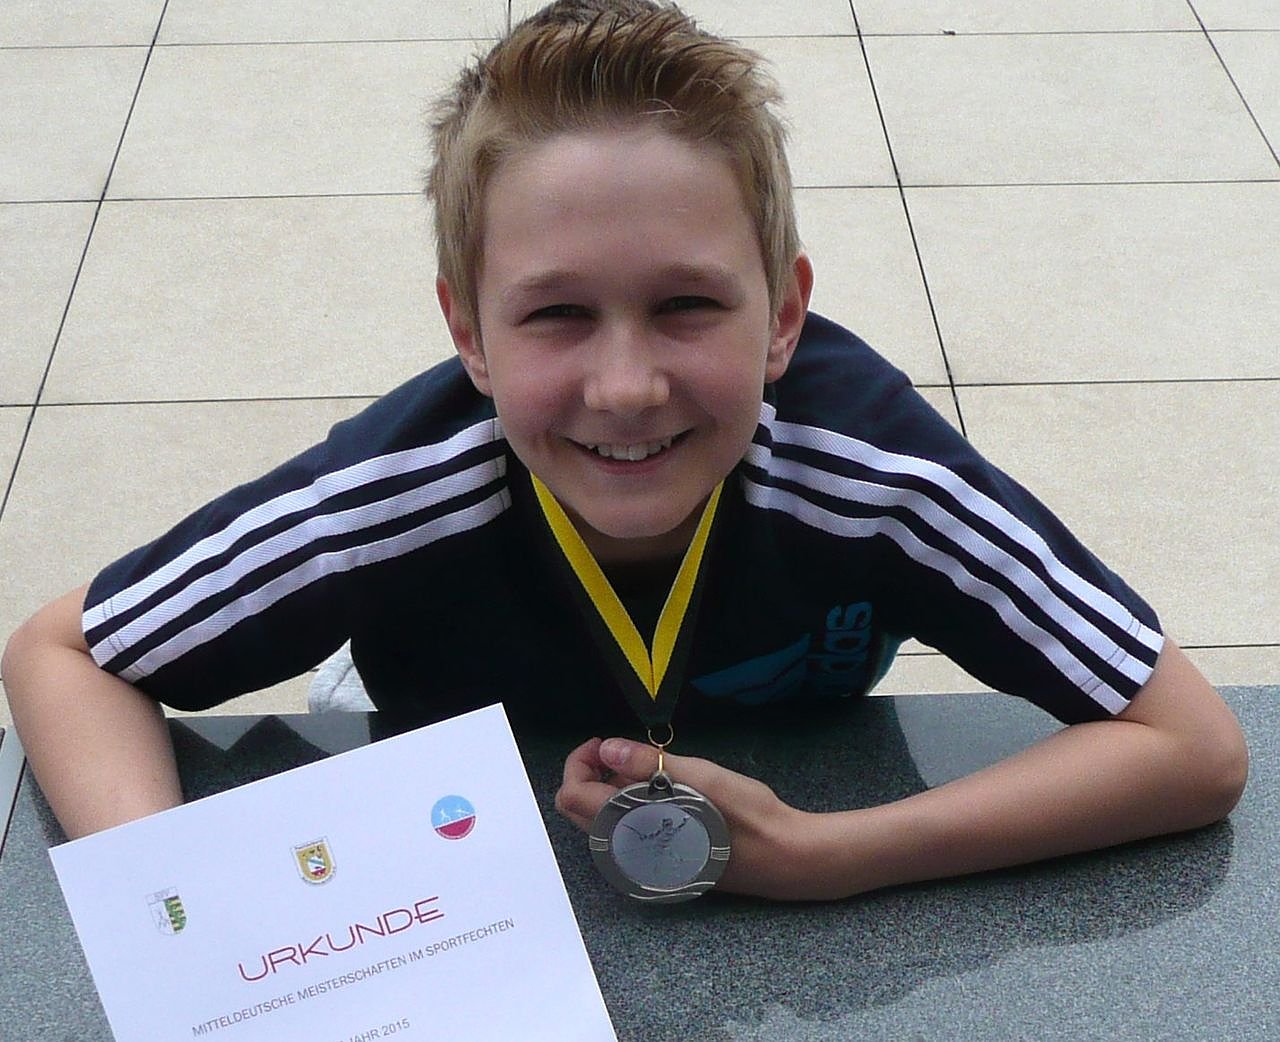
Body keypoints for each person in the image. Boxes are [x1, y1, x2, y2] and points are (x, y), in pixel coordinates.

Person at [2, 0, 1247, 900]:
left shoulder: (874, 477)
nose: (626, 386)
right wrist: (166, 910)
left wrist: (823, 854)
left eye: (686, 304)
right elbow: (64, 654)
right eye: (554, 314)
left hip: (783, 806)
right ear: (467, 333)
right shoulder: (391, 495)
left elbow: (1190, 746)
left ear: (784, 314)